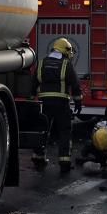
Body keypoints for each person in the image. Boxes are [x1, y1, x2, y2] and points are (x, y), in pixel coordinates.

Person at [32, 37, 82, 172]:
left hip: (44, 103)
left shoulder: (41, 63)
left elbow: (33, 82)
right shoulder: (66, 64)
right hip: (61, 104)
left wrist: (31, 99)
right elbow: (75, 84)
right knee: (64, 131)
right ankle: (64, 162)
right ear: (64, 51)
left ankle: (38, 158)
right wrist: (78, 101)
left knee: (42, 130)